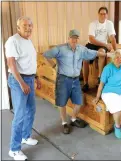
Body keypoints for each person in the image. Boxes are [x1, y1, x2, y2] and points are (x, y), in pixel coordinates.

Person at [43, 29, 107, 134]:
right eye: (72, 38)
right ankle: (64, 123)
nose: (74, 40)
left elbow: (94, 53)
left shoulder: (81, 49)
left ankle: (73, 119)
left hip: (75, 80)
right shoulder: (60, 48)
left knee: (79, 101)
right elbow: (46, 54)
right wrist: (54, 66)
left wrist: (109, 55)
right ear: (68, 38)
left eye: (76, 38)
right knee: (62, 102)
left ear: (78, 39)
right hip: (63, 79)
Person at [5, 16, 41, 160]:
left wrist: (36, 77)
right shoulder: (13, 41)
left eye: (30, 25)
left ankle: (25, 137)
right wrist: (22, 83)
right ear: (18, 27)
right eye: (25, 25)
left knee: (31, 109)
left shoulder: (28, 41)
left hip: (29, 78)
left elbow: (30, 62)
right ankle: (14, 149)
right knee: (19, 115)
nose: (28, 28)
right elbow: (11, 64)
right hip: (18, 80)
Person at [82, 6, 117, 92]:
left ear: (107, 15)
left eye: (104, 14)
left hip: (102, 46)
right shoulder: (93, 24)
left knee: (101, 53)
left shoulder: (109, 24)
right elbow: (91, 39)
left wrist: (116, 51)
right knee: (85, 59)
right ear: (98, 14)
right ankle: (85, 83)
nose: (103, 15)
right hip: (92, 44)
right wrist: (105, 44)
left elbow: (112, 38)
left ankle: (99, 77)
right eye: (101, 14)